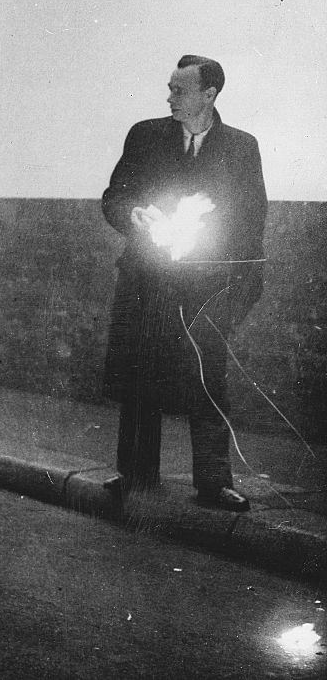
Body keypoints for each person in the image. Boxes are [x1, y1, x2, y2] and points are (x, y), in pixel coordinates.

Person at [100, 54, 267, 512]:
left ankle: (214, 483)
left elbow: (253, 220)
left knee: (208, 380)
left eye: (179, 90)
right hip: (147, 282)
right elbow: (115, 196)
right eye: (170, 88)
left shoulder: (240, 147)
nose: (169, 97)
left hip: (205, 287)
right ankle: (135, 476)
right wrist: (132, 215)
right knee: (139, 374)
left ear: (209, 95)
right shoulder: (145, 136)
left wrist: (215, 257)